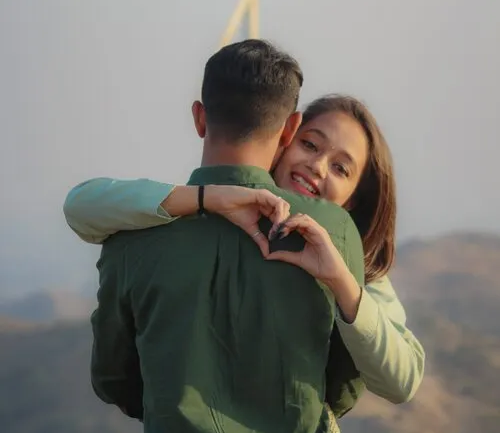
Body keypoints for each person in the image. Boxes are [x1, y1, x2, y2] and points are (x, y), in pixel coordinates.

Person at [78, 39, 367, 433]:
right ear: (289, 130)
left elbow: (112, 378)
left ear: (199, 117)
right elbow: (345, 381)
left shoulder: (132, 235)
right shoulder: (330, 231)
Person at [65, 95, 425, 416]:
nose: (317, 166)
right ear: (285, 137)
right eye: (311, 145)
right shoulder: (208, 214)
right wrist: (203, 198)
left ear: (354, 199)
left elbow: (402, 381)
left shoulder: (357, 268)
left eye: (340, 168)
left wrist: (342, 282)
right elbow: (82, 205)